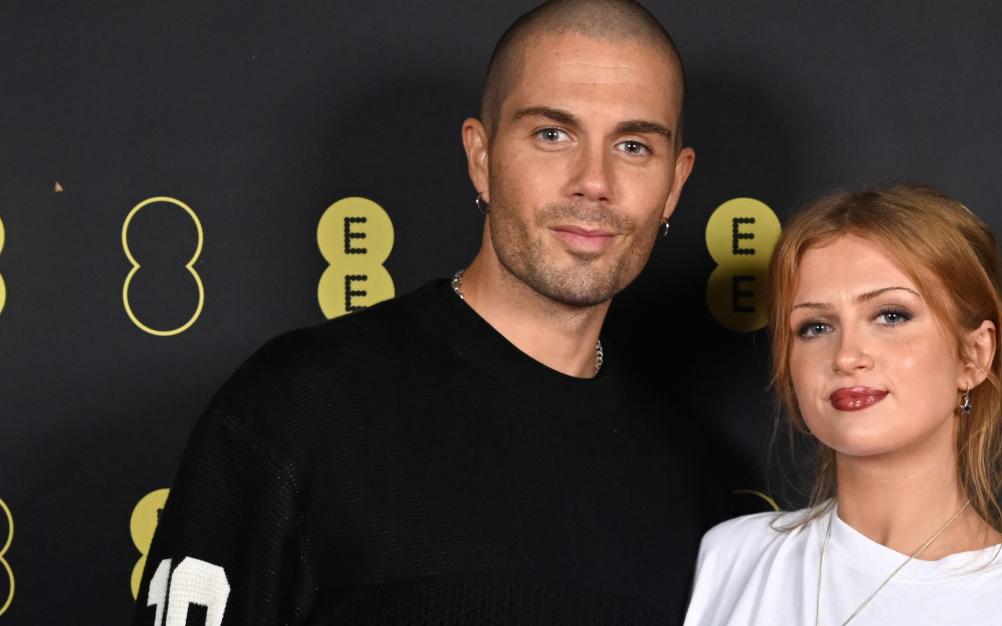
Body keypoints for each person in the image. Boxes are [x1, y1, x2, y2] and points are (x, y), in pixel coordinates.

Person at [133, 2, 718, 624]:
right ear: (481, 155)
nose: (593, 181)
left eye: (633, 145)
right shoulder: (301, 406)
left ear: (674, 185)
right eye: (553, 134)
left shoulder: (694, 481)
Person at [683, 184, 1002, 625]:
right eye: (815, 326)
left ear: (975, 355)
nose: (847, 356)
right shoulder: (731, 558)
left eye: (891, 315)